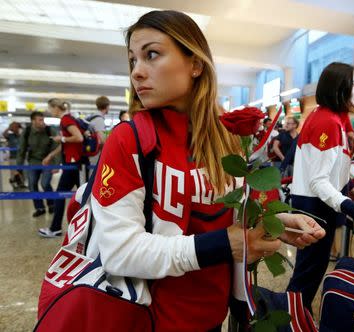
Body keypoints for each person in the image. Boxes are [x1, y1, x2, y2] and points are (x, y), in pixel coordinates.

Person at [81, 10, 325, 331]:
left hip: (214, 312)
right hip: (149, 316)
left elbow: (226, 218)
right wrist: (224, 244)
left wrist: (276, 224)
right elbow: (119, 251)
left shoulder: (225, 138)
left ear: (195, 64)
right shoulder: (129, 139)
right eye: (133, 61)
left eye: (151, 55)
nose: (137, 72)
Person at [287, 62, 354, 309]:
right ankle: (292, 319)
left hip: (317, 205)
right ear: (339, 86)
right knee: (307, 277)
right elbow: (318, 181)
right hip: (315, 207)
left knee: (309, 273)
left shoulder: (330, 117)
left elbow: (327, 168)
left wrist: (347, 186)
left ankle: (294, 316)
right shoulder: (328, 122)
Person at [38, 99, 83, 238]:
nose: (50, 112)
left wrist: (62, 139)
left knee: (61, 195)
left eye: (50, 109)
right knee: (82, 195)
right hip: (74, 163)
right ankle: (58, 227)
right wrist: (51, 155)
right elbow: (65, 145)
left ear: (56, 108)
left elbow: (78, 137)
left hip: (74, 164)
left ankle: (56, 228)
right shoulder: (68, 119)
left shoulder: (66, 120)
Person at [16, 111, 58, 217]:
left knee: (45, 183)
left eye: (43, 119)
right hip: (33, 161)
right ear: (33, 121)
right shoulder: (27, 131)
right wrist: (19, 167)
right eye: (40, 120)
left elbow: (57, 148)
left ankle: (51, 204)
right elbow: (22, 149)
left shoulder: (50, 130)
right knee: (32, 184)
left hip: (48, 161)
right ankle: (39, 207)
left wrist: (56, 165)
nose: (42, 122)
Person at [2, 121, 26, 189]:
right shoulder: (10, 136)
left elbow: (27, 133)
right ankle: (13, 183)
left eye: (17, 127)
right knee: (14, 172)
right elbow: (4, 134)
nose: (15, 128)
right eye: (14, 127)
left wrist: (21, 126)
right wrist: (9, 128)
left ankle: (21, 184)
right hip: (13, 157)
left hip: (21, 157)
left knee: (22, 171)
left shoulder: (22, 136)